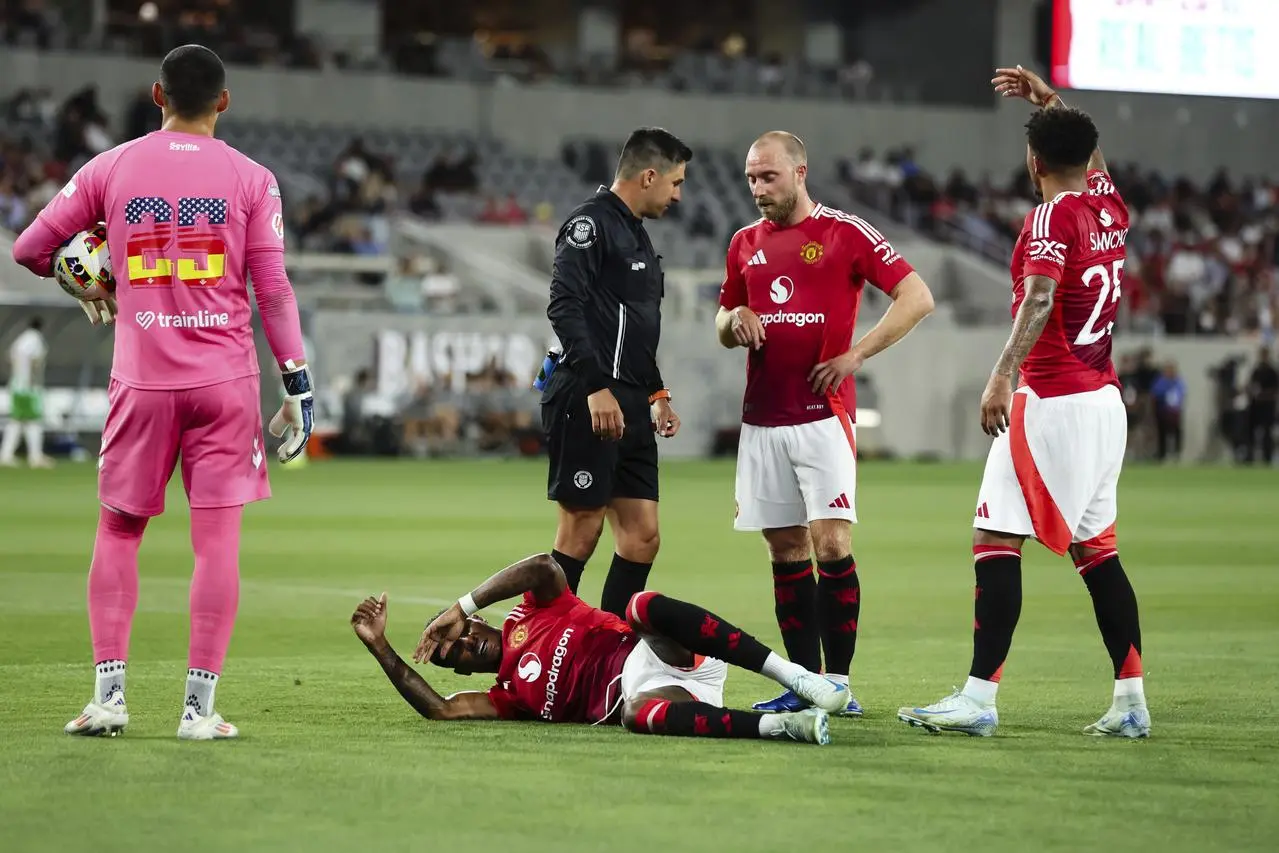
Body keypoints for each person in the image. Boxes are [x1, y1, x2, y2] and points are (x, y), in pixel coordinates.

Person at [11, 45, 314, 741]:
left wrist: (85, 276)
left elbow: (30, 247)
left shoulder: (110, 167)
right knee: (217, 544)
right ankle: (197, 712)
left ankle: (108, 700)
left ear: (156, 95)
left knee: (119, 530)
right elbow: (272, 288)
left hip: (142, 380)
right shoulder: (253, 178)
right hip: (225, 382)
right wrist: (296, 381)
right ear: (224, 102)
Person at [900, 65, 1148, 738]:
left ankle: (979, 697)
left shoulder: (1050, 216)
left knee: (992, 538)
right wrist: (1052, 104)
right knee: (1098, 553)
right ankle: (1130, 700)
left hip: (1051, 399)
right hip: (1103, 403)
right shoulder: (1108, 207)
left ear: (1032, 160)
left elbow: (1039, 297)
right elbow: (1085, 154)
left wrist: (1001, 374)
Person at [714, 131, 935, 716]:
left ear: (800, 172)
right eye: (751, 179)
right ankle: (805, 683)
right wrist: (732, 318)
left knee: (830, 541)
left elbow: (916, 297)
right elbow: (721, 318)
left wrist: (856, 355)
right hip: (762, 418)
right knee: (785, 548)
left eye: (769, 177)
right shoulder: (742, 244)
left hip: (822, 415)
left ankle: (839, 682)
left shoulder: (845, 232)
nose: (759, 189)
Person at [349, 552, 850, 744]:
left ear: (474, 622)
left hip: (666, 650)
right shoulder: (508, 697)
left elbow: (545, 566)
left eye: (459, 636)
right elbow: (440, 710)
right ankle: (782, 727)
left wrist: (461, 602)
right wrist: (381, 648)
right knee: (634, 713)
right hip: (659, 700)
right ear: (463, 672)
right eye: (453, 658)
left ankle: (794, 676)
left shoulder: (533, 608)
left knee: (640, 605)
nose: (464, 647)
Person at [542, 128, 688, 617]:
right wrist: (595, 386)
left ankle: (610, 652)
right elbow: (564, 306)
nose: (678, 195)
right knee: (581, 529)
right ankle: (535, 650)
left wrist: (657, 392)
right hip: (589, 395)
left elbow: (634, 329)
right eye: (675, 183)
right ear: (649, 176)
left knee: (642, 535)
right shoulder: (590, 225)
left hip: (630, 398)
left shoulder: (637, 234)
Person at [1, 316, 52, 468]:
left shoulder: (20, 340)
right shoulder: (35, 340)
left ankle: (6, 454)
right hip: (28, 388)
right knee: (33, 420)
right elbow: (34, 360)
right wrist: (31, 380)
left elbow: (9, 357)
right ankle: (35, 456)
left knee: (17, 420)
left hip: (16, 385)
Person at [1245, 347, 1277, 464]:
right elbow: (1251, 385)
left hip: (1267, 406)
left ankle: (1267, 457)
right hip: (1255, 406)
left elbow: (1275, 390)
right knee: (1251, 431)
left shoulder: (1272, 371)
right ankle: (1250, 456)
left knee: (1267, 433)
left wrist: (1262, 394)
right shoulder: (1256, 371)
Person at [1150, 360, 1185, 462]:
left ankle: (1177, 453)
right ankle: (1162, 454)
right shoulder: (1161, 381)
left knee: (1176, 432)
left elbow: (1182, 393)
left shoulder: (1178, 381)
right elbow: (1156, 392)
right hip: (1162, 410)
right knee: (1162, 433)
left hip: (1174, 411)